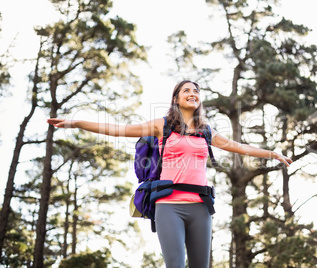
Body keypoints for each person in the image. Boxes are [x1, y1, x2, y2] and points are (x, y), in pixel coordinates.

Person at [47, 80, 292, 268]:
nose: (192, 93)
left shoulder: (206, 131)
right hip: (169, 205)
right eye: (186, 90)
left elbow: (239, 147)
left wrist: (272, 153)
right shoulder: (160, 125)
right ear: (176, 98)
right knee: (175, 265)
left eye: (196, 91)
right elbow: (119, 129)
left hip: (201, 207)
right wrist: (77, 123)